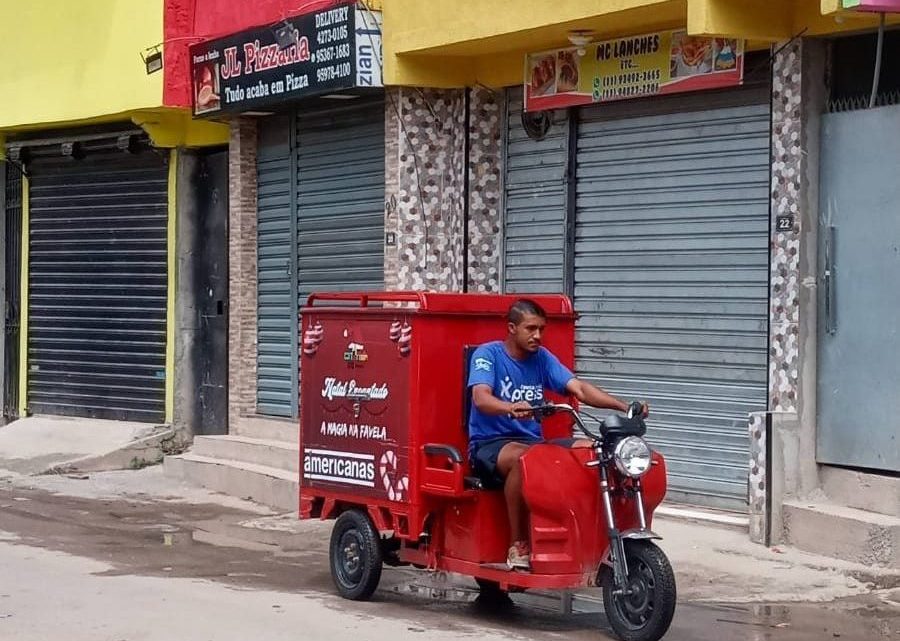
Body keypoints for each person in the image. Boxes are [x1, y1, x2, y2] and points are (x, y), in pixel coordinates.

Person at [467, 299, 647, 569]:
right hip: (490, 445)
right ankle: (518, 545)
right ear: (512, 328)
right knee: (525, 460)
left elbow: (580, 389)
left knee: (591, 449)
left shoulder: (542, 358)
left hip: (532, 442)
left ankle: (592, 534)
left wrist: (625, 406)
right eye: (530, 329)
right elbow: (481, 398)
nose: (537, 336)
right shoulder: (488, 355)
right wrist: (509, 407)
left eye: (541, 329)